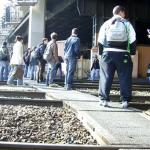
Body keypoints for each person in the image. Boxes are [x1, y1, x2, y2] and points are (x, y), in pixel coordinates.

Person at [97, 5, 136, 108]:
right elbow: (133, 40)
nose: (125, 15)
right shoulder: (127, 24)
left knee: (106, 76)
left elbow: (100, 41)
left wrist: (101, 55)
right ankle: (125, 101)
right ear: (121, 12)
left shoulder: (106, 24)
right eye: (124, 13)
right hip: (123, 55)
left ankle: (103, 100)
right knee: (125, 77)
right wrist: (132, 54)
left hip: (107, 54)